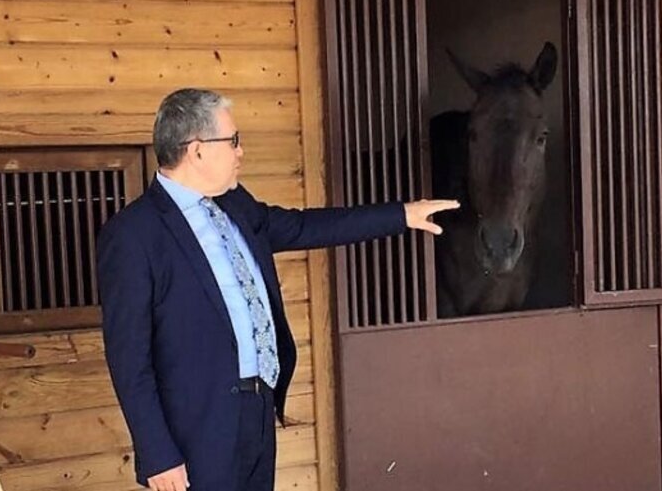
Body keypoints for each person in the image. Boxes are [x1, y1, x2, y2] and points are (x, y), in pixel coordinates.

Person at [98, 88, 458, 491]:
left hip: (256, 412)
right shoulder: (133, 235)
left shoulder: (235, 205)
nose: (240, 152)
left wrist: (401, 215)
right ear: (197, 151)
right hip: (195, 432)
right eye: (233, 140)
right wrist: (157, 452)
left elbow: (303, 227)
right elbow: (128, 358)